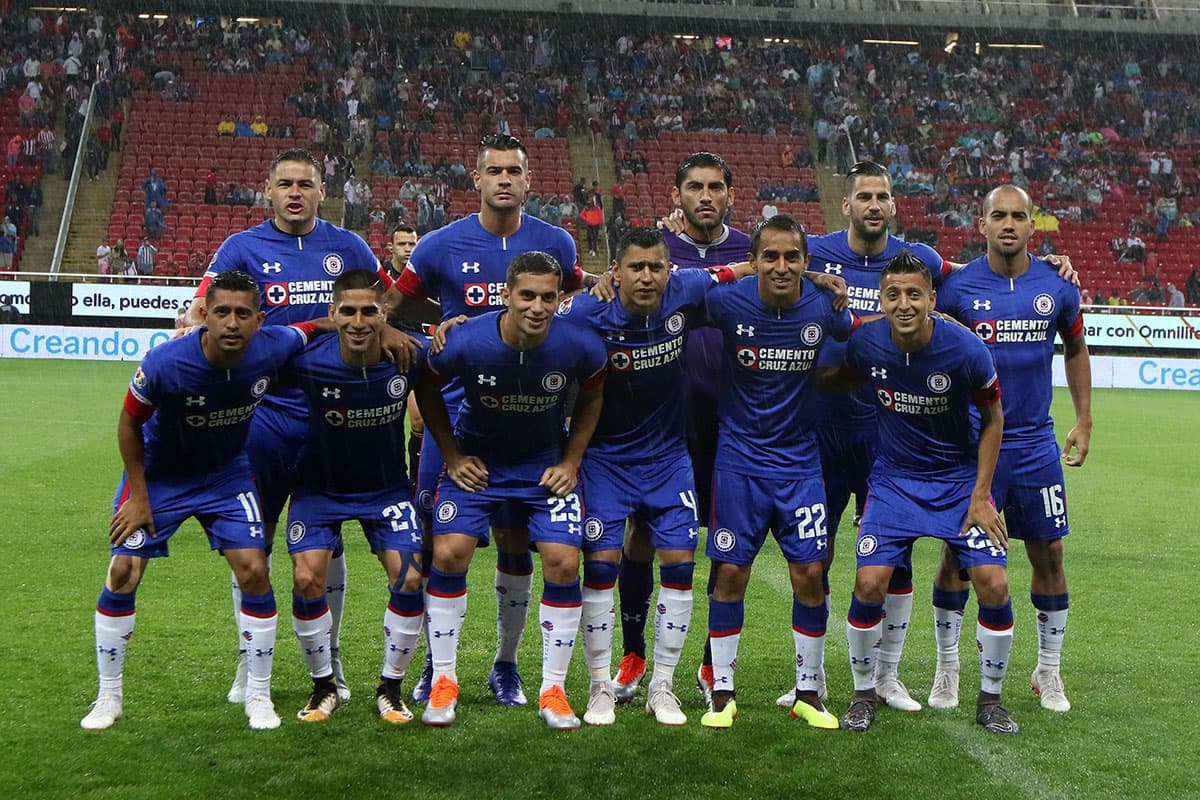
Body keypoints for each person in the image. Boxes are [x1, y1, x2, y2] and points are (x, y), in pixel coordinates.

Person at [184, 147, 402, 706]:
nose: (296, 193)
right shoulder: (242, 248)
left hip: (333, 418)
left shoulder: (349, 246)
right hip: (261, 416)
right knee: (248, 543)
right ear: (269, 189)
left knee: (325, 547)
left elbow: (386, 304)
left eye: (306, 183)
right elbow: (200, 310)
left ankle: (329, 667)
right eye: (286, 184)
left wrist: (395, 333)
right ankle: (248, 663)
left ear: (322, 190)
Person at [390, 133, 588, 707]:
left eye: (515, 171)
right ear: (475, 179)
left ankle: (506, 666)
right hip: (454, 410)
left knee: (515, 538)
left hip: (530, 410)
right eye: (494, 170)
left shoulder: (555, 243)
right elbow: (396, 305)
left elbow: (570, 305)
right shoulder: (440, 244)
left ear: (530, 181)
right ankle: (436, 665)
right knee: (438, 542)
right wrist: (436, 330)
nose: (505, 179)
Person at [80, 270, 317, 732]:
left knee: (254, 569)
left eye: (242, 314)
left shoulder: (272, 345)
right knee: (123, 570)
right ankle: (108, 696)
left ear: (258, 320)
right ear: (203, 314)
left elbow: (308, 329)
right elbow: (129, 424)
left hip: (226, 475)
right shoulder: (166, 362)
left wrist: (342, 323)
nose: (231, 322)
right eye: (221, 312)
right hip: (160, 475)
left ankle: (259, 694)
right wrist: (139, 496)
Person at [553, 227, 744, 726]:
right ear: (614, 272)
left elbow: (751, 269)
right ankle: (599, 687)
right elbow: (527, 320)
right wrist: (458, 322)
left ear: (669, 271)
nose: (646, 276)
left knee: (680, 564)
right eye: (635, 267)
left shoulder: (686, 291)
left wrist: (816, 277)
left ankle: (663, 685)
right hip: (605, 460)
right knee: (598, 568)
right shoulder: (586, 311)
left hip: (668, 458)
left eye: (656, 267)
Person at [414, 252, 607, 729]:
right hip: (481, 466)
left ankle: (553, 690)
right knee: (449, 554)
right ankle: (443, 680)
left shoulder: (579, 344)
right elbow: (425, 383)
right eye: (527, 296)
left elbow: (594, 393)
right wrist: (454, 455)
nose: (537, 307)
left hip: (544, 468)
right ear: (506, 296)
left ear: (560, 298)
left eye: (548, 297)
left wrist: (571, 460)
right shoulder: (467, 341)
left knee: (563, 562)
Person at [829, 251, 1016, 735]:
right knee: (869, 583)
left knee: (994, 585)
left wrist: (981, 495)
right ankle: (863, 693)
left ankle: (990, 701)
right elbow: (843, 381)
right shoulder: (866, 342)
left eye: (915, 294)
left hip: (957, 483)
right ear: (882, 300)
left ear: (933, 298)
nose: (905, 303)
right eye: (894, 294)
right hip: (893, 481)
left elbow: (994, 418)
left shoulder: (966, 350)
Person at [928, 185, 1091, 714]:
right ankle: (947, 667)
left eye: (1019, 216)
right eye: (998, 215)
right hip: (976, 450)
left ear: (1032, 225)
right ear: (982, 224)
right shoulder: (955, 289)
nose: (1009, 224)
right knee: (958, 558)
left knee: (1049, 553)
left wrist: (1084, 419)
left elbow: (1075, 347)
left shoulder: (1057, 286)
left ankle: (1049, 671)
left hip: (1036, 445)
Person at [700, 216, 854, 731]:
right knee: (731, 573)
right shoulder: (728, 301)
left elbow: (852, 344)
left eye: (793, 258)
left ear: (807, 262)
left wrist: (820, 284)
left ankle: (808, 692)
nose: (782, 266)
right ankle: (722, 692)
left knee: (811, 573)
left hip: (800, 463)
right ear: (756, 259)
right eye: (771, 257)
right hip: (739, 462)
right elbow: (680, 288)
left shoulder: (825, 308)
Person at [283, 270, 427, 725]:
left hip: (384, 490)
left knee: (410, 579)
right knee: (307, 580)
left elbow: (439, 399)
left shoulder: (406, 356)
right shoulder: (304, 362)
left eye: (370, 311)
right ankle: (323, 685)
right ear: (332, 314)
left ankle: (391, 688)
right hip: (317, 490)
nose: (359, 321)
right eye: (348, 311)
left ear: (384, 315)